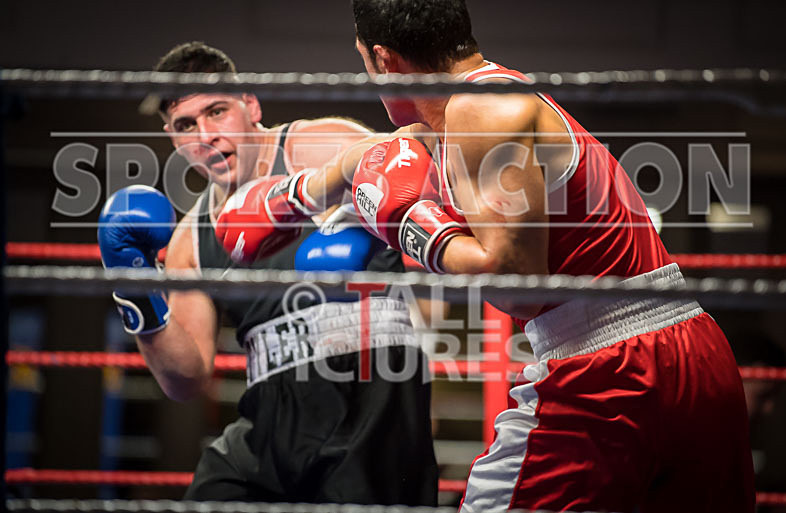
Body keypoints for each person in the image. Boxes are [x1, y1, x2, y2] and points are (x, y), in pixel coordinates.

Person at [213, 2, 755, 511]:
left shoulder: (480, 109)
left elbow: (519, 284)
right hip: (695, 356)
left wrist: (412, 229)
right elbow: (354, 167)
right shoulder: (462, 115)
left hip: (605, 365)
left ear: (383, 59)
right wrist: (279, 201)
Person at [97, 41, 438, 505]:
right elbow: (185, 380)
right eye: (186, 125)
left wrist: (363, 229)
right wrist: (133, 287)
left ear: (251, 105)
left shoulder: (318, 146)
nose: (205, 135)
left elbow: (417, 156)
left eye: (216, 112)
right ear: (172, 138)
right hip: (272, 415)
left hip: (371, 395)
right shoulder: (190, 241)